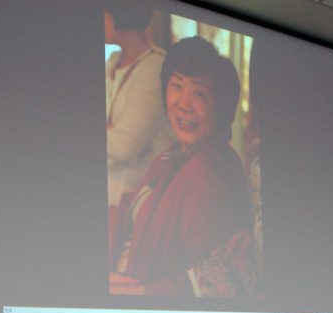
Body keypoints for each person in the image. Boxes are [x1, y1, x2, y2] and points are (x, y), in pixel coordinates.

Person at [109, 36, 253, 297]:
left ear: (221, 107)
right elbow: (132, 209)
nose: (183, 103)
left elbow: (212, 282)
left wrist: (141, 292)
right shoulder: (175, 153)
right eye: (176, 86)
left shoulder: (208, 170)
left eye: (199, 93)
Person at [105, 3, 173, 207]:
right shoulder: (112, 61)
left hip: (133, 204)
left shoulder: (155, 67)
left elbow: (125, 146)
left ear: (120, 15)